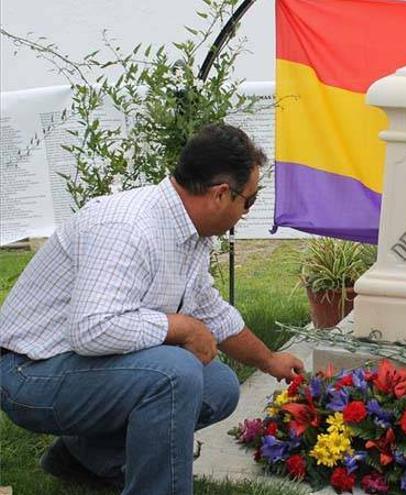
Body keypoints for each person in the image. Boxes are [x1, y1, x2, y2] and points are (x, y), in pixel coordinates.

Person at [0, 123, 305, 495]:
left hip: (72, 366)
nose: (246, 212)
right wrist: (182, 328)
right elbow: (93, 328)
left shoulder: (185, 231)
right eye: (249, 201)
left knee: (219, 386)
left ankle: (86, 458)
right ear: (221, 194)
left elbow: (211, 312)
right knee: (175, 374)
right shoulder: (129, 226)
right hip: (27, 372)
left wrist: (269, 360)